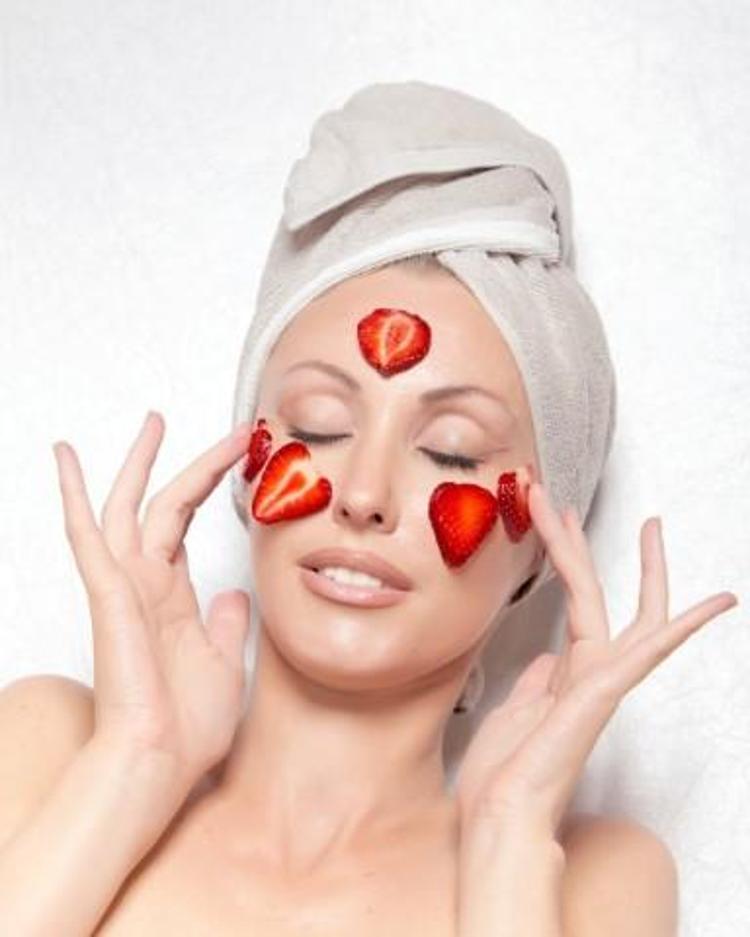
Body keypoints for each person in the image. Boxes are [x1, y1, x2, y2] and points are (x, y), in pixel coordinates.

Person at [0, 85, 739, 936]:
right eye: (320, 424)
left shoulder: (594, 878)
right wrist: (135, 760)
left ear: (543, 546)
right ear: (244, 468)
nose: (362, 495)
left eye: (452, 450)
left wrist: (506, 840)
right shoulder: (54, 748)